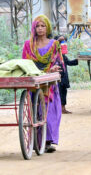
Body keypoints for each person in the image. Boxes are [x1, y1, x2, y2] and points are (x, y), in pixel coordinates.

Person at [22, 14, 63, 153]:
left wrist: (53, 69)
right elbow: (25, 63)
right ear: (34, 28)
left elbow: (59, 62)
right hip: (34, 81)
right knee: (34, 111)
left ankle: (48, 141)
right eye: (37, 26)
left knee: (48, 111)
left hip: (49, 83)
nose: (40, 29)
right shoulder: (28, 45)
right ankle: (36, 141)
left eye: (43, 26)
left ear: (47, 28)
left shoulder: (54, 44)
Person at [55, 35, 78, 114]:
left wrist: (77, 60)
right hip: (57, 78)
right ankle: (60, 109)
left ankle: (63, 108)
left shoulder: (63, 56)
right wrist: (58, 40)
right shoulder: (54, 55)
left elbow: (69, 63)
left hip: (63, 78)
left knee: (63, 93)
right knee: (58, 93)